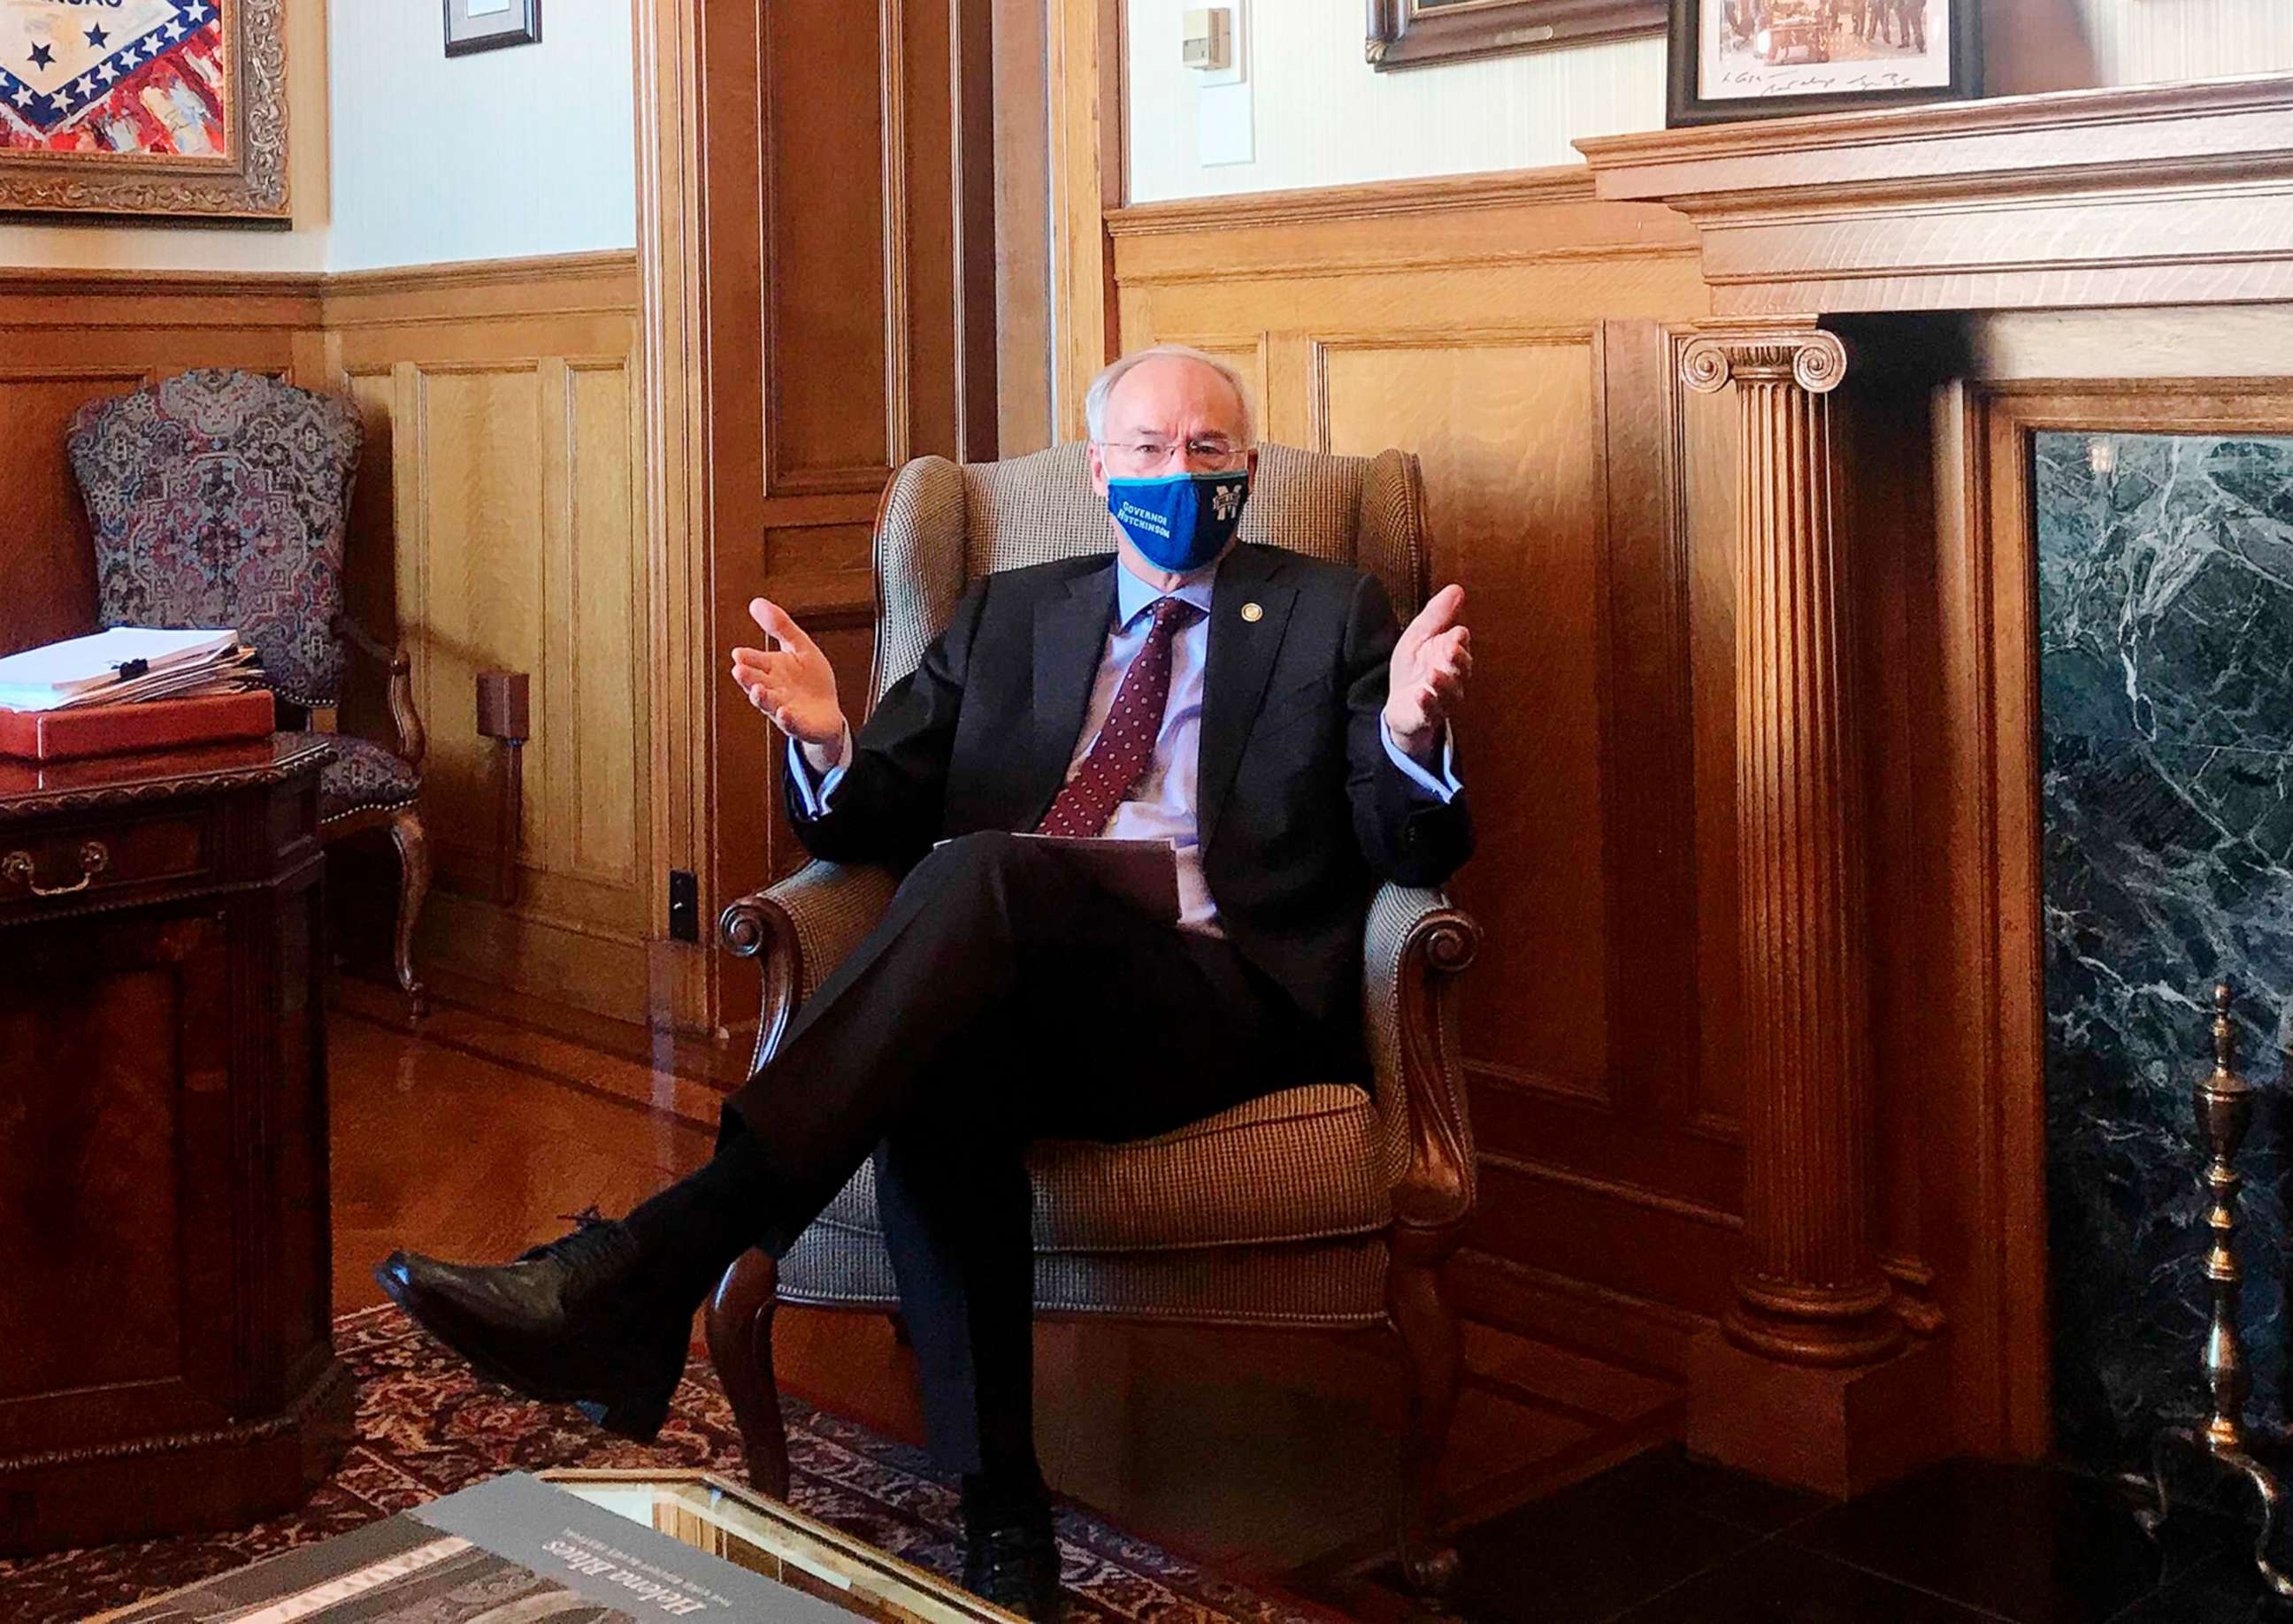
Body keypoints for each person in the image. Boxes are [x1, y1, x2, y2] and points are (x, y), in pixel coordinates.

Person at [375, 347, 1475, 1620]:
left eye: (1212, 451)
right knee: (945, 1050)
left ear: (1250, 469)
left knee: (979, 879)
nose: (1183, 473)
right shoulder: (1011, 612)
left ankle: (653, 1258)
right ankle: (1001, 1508)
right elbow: (867, 819)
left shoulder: (1333, 611)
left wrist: (1406, 738)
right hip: (1009, 989)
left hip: (1214, 1001)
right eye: (1152, 449)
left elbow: (1409, 852)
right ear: (1100, 471)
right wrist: (828, 735)